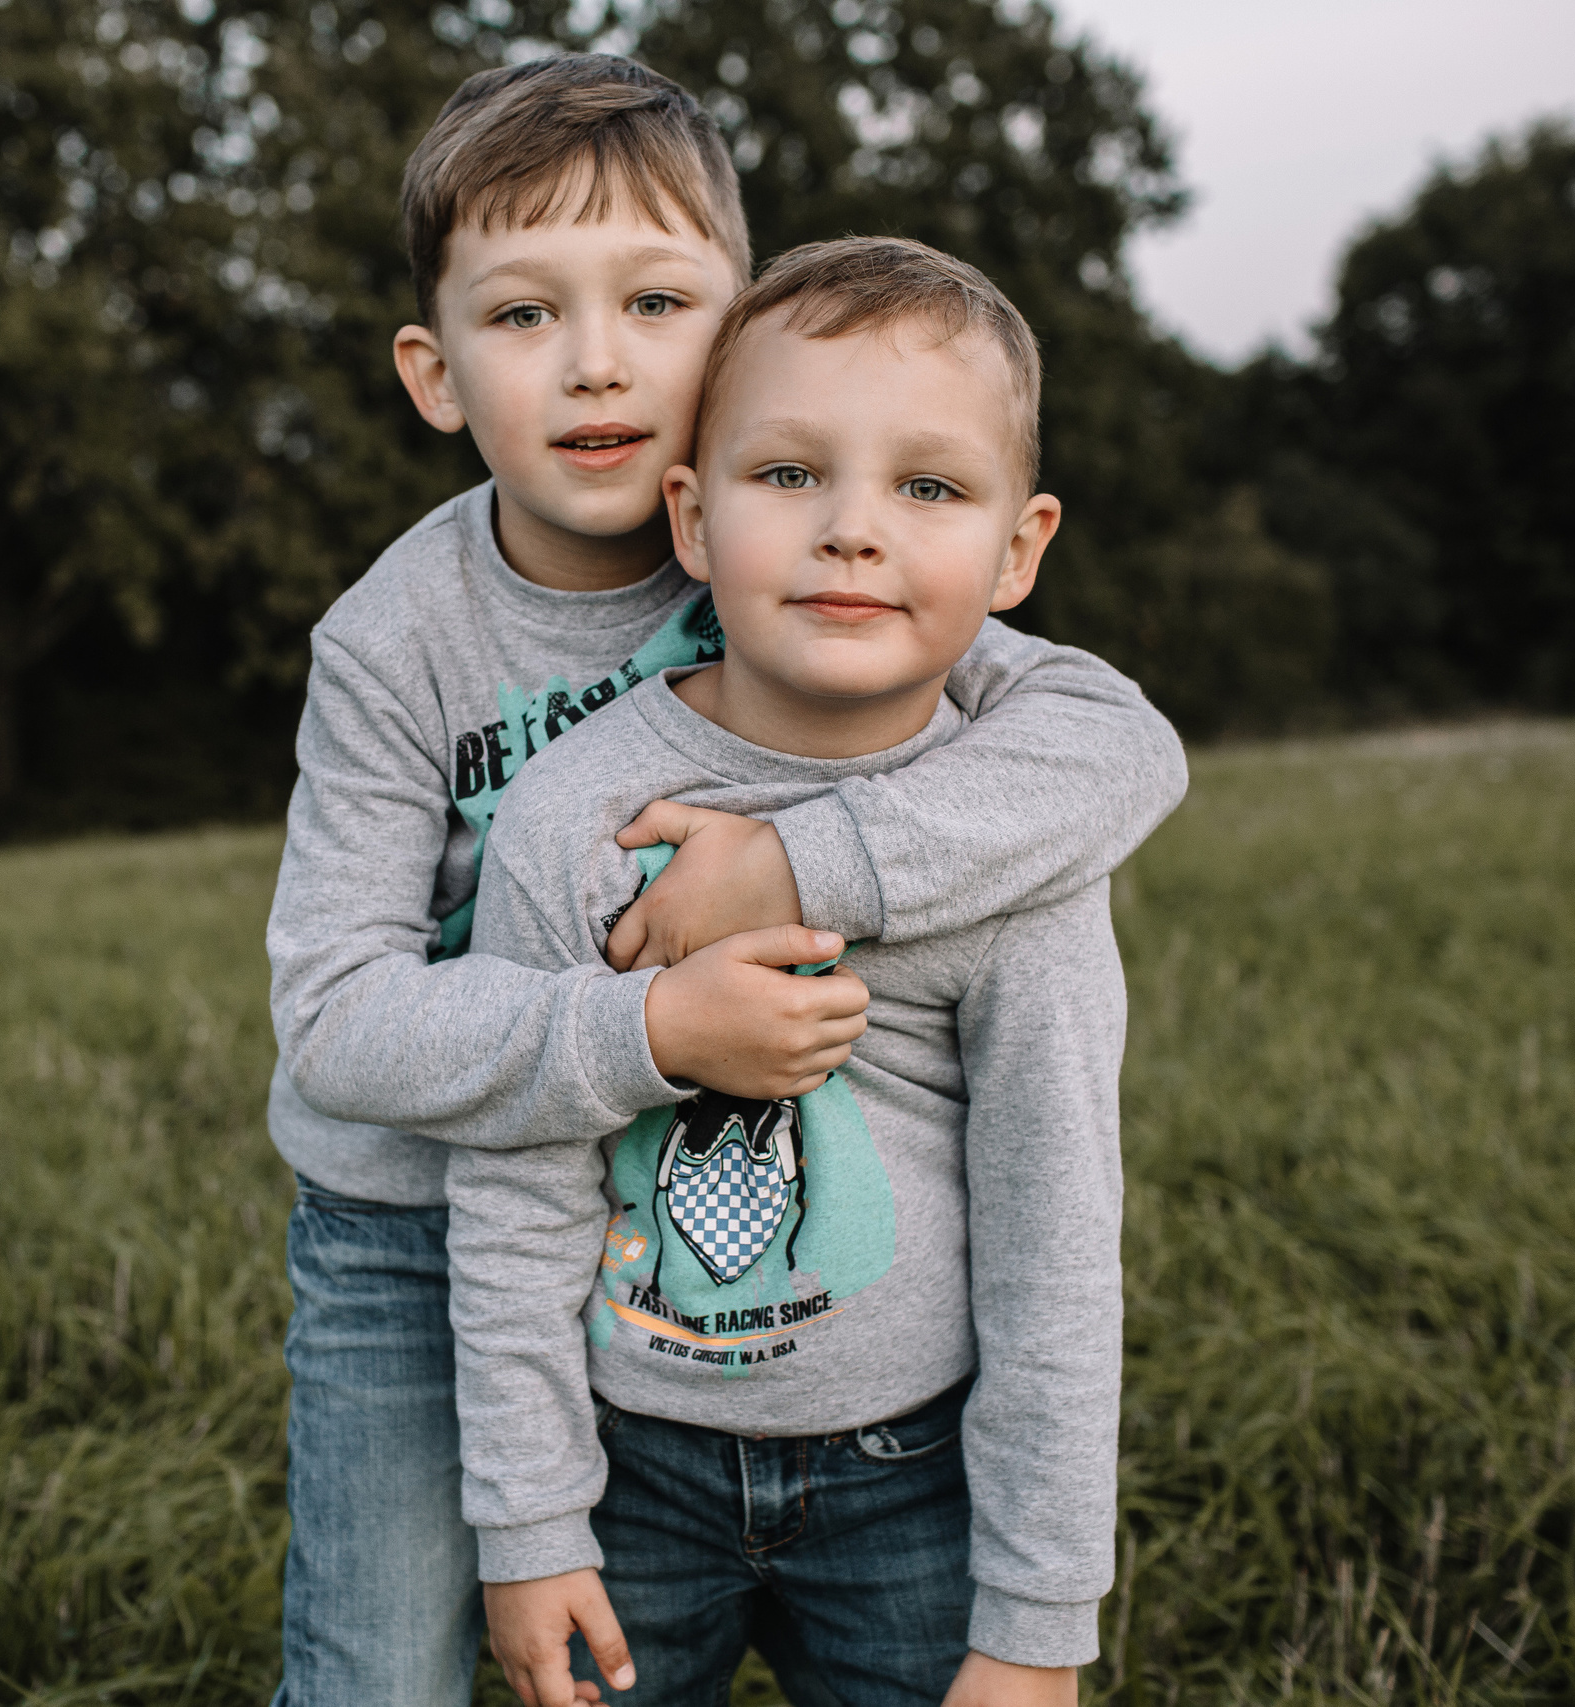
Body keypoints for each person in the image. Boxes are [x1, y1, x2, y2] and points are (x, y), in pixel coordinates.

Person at [264, 55, 1185, 1707]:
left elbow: (1119, 752)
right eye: (527, 314)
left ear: (741, 327)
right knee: (381, 1674)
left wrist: (785, 861)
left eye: (659, 301)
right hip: (418, 1214)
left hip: (719, 1277)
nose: (599, 360)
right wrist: (656, 1033)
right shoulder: (397, 642)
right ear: (436, 370)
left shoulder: (818, 563)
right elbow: (336, 1022)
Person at [446, 236, 1153, 1707]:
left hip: (917, 1477)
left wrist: (1034, 1629)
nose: (853, 531)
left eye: (930, 488)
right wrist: (524, 1522)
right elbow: (514, 1182)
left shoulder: (1018, 855)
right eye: (788, 477)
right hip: (623, 1465)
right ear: (691, 519)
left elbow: (1057, 1254)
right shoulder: (577, 818)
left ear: (1020, 551)